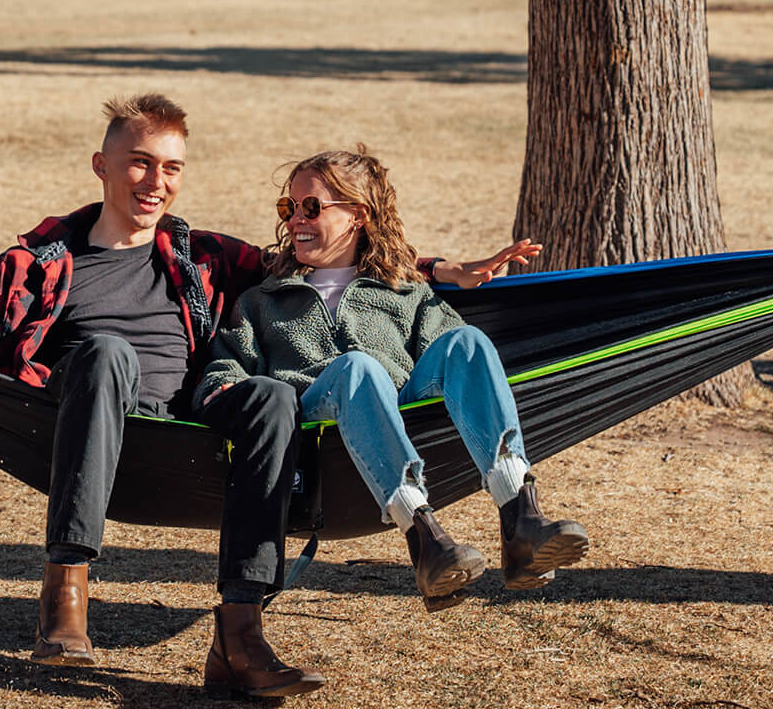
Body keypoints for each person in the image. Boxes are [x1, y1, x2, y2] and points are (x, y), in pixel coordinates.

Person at [0, 97, 532, 699]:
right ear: (102, 166)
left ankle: (241, 636)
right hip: (102, 413)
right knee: (107, 351)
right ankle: (65, 591)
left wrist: (441, 269)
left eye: (171, 168)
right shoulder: (42, 260)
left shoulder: (201, 254)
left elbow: (328, 255)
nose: (155, 182)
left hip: (192, 419)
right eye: (140, 162)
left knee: (270, 396)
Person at [197, 147, 588, 614]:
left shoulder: (404, 290)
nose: (296, 219)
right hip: (313, 427)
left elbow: (458, 365)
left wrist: (439, 275)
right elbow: (226, 365)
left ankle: (520, 515)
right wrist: (223, 394)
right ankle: (423, 537)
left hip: (398, 415)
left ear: (357, 215)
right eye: (289, 207)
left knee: (468, 341)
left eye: (312, 207)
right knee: (358, 367)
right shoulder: (263, 298)